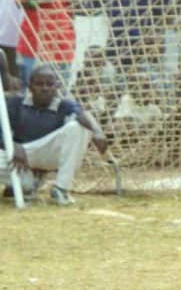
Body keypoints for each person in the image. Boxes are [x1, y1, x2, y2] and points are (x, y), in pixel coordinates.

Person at [2, 64, 108, 205]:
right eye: (39, 84)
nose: (45, 88)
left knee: (79, 127)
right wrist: (13, 146)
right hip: (19, 155)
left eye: (49, 84)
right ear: (30, 87)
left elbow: (83, 114)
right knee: (24, 183)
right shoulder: (15, 103)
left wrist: (98, 132)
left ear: (56, 86)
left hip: (46, 153)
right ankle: (27, 184)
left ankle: (61, 189)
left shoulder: (64, 105)